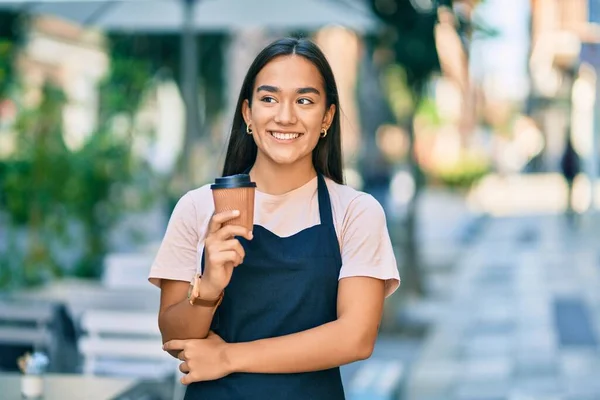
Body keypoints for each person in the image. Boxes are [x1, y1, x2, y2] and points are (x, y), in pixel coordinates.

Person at [149, 37, 400, 399]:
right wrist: (208, 288)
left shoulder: (356, 212)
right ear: (248, 114)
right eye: (269, 99)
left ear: (327, 117)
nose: (285, 116)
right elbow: (174, 338)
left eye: (304, 101)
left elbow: (355, 338)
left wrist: (229, 357)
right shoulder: (197, 207)